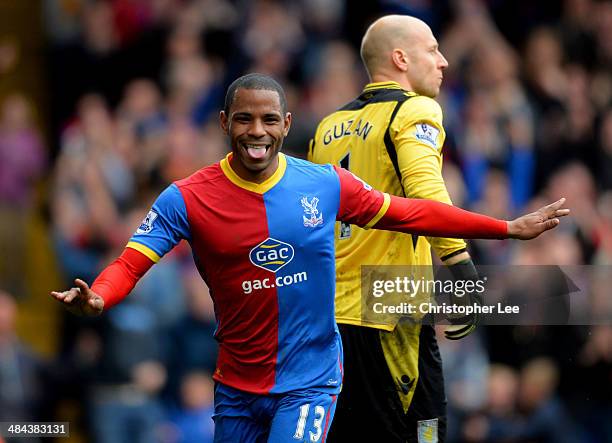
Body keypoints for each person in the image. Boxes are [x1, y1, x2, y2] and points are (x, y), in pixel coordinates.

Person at [51, 73, 568, 443]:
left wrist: (504, 229)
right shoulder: (186, 197)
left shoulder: (323, 184)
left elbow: (414, 212)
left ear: (286, 123)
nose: (257, 131)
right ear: (224, 121)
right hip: (235, 386)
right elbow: (131, 262)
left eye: (269, 119)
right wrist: (100, 295)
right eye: (245, 119)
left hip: (310, 380)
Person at [308, 15, 489, 442]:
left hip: (330, 317)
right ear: (400, 58)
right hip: (389, 314)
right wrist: (462, 269)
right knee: (422, 433)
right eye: (432, 50)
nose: (443, 61)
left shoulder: (327, 128)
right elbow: (428, 195)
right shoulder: (415, 109)